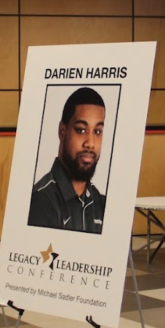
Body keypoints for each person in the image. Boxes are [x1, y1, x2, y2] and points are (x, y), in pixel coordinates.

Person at [28, 87, 106, 234]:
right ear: (62, 132)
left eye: (97, 132)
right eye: (81, 130)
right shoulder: (41, 202)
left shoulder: (100, 202)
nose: (90, 143)